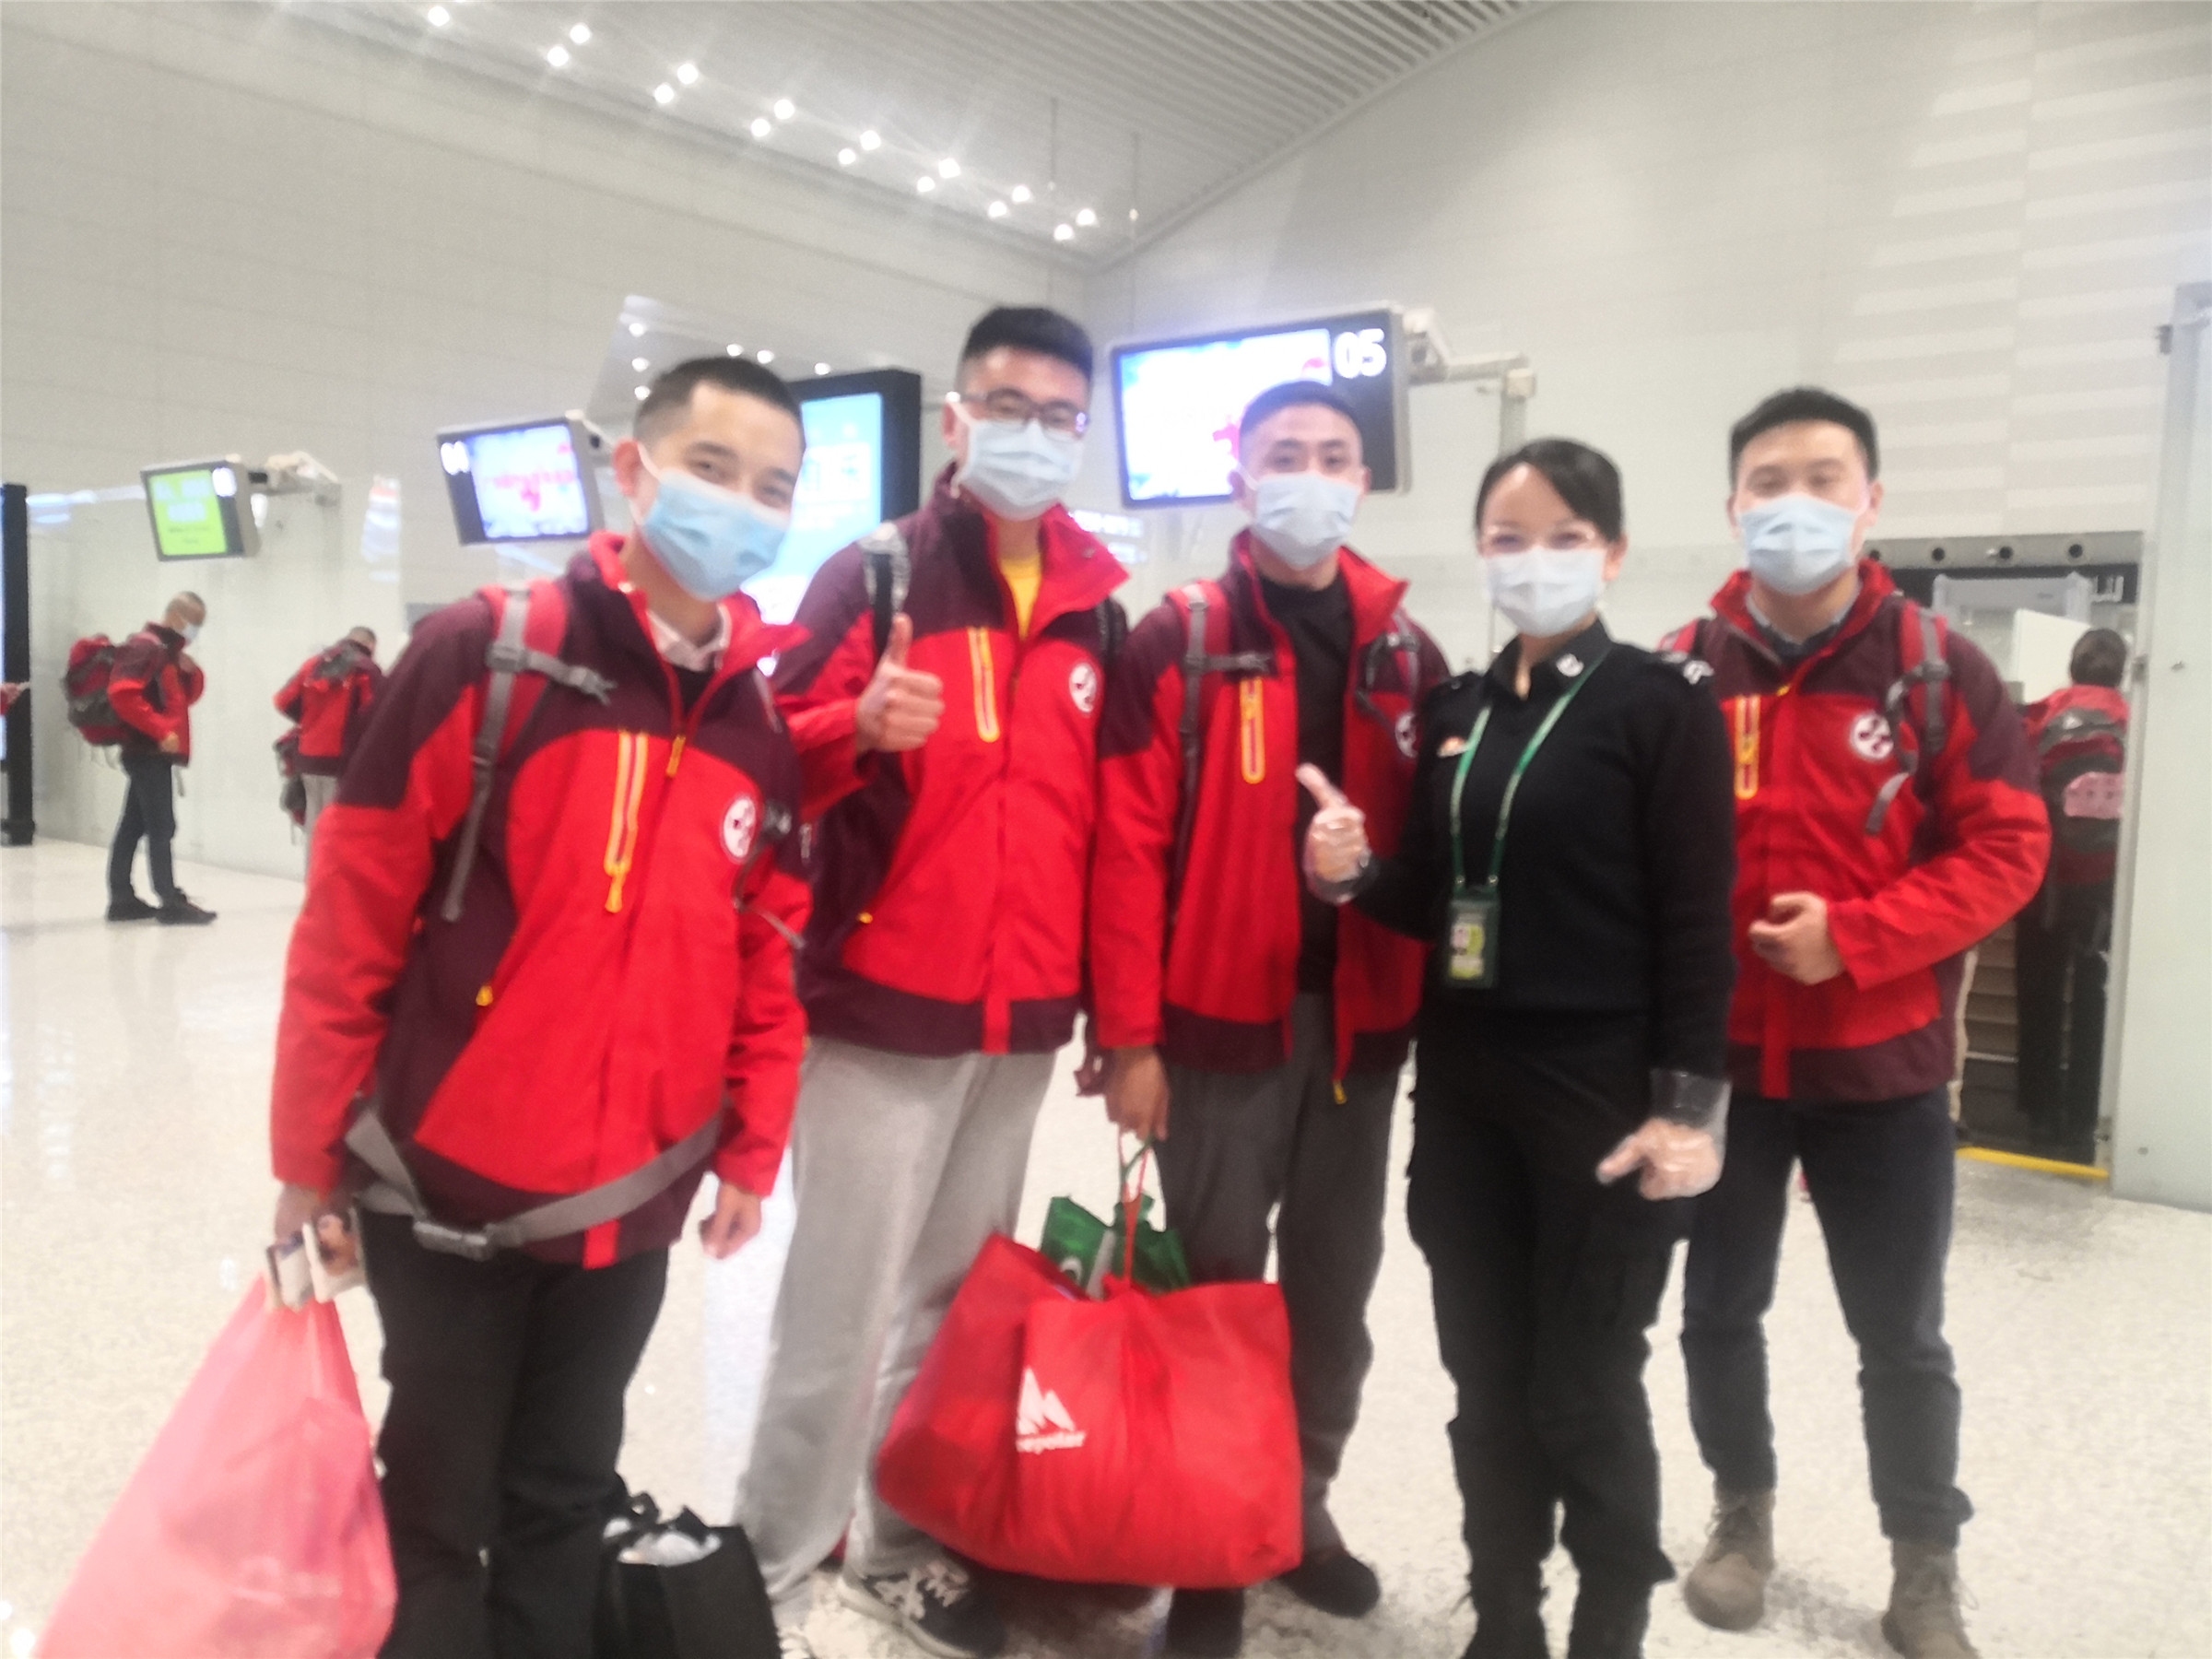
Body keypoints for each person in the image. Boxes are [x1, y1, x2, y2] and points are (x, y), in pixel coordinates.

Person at [267, 355, 814, 1658]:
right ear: (634, 471)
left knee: (567, 1490)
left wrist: (753, 1147)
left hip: (632, 1201)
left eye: (774, 487)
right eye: (713, 468)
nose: (741, 505)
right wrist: (306, 1159)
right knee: (440, 1501)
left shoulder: (757, 725)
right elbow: (348, 923)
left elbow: (765, 953)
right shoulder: (488, 655)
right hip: (444, 1190)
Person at [1302, 438, 1735, 1659]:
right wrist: (1354, 875)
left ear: (1614, 553)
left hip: (1604, 1095)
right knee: (1488, 1385)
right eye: (1507, 538)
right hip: (1467, 1093)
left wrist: (1691, 1106)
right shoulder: (1458, 712)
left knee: (1584, 1386)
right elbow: (1438, 896)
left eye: (1564, 538)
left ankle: (1609, 1622)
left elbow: (1698, 925)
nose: (1533, 560)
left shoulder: (1663, 705)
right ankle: (1504, 1614)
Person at [738, 305, 1126, 1659]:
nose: (1031, 434)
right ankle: (772, 1566)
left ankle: (897, 1547)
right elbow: (763, 753)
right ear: (957, 418)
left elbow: (1107, 825)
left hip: (1021, 1018)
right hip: (881, 1004)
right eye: (1006, 407)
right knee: (838, 1309)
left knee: (953, 1303)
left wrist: (1107, 1010)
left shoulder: (1095, 606)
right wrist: (854, 726)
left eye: (1058, 417)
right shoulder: (879, 572)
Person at [1669, 388, 2049, 1659]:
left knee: (1902, 1334)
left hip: (1882, 1068)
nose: (1796, 504)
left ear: (1870, 500)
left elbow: (2010, 849)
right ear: (1733, 504)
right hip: (1719, 1068)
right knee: (1718, 1310)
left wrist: (1862, 937)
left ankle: (1924, 1563)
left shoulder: (1940, 670)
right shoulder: (1680, 671)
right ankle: (1741, 1515)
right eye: (1768, 481)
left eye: (1824, 478)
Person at [1089, 381, 1446, 1656]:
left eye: (1334, 456)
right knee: (1216, 1298)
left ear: (1364, 480)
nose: (1311, 474)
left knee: (1333, 1304)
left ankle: (1297, 1513)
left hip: (1358, 1031)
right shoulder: (1180, 636)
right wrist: (1129, 1040)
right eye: (1285, 454)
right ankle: (1209, 1548)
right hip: (1216, 1030)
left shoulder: (1408, 655)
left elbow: (1436, 850)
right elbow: (1126, 850)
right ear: (1243, 479)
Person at [2016, 627, 2129, 1159]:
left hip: (2043, 880)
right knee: (2096, 1000)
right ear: (2123, 673)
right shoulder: (2136, 721)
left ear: (2072, 667)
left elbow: (2012, 792)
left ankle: (2039, 1115)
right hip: (2107, 884)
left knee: (2038, 996)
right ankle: (2086, 1119)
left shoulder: (2040, 715)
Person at [105, 591, 215, 924]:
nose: (195, 631)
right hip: (148, 751)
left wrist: (190, 672)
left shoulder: (165, 651)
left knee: (134, 824)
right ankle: (168, 900)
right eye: (194, 622)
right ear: (178, 617)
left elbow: (180, 700)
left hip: (149, 751)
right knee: (161, 825)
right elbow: (122, 694)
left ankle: (122, 898)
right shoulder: (147, 647)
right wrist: (160, 731)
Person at [275, 625, 384, 850]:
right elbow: (376, 716)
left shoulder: (314, 663)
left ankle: (313, 873)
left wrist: (310, 721)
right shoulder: (366, 670)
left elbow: (283, 700)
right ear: (371, 645)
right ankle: (330, 873)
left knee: (314, 826)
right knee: (337, 829)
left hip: (307, 759)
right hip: (342, 763)